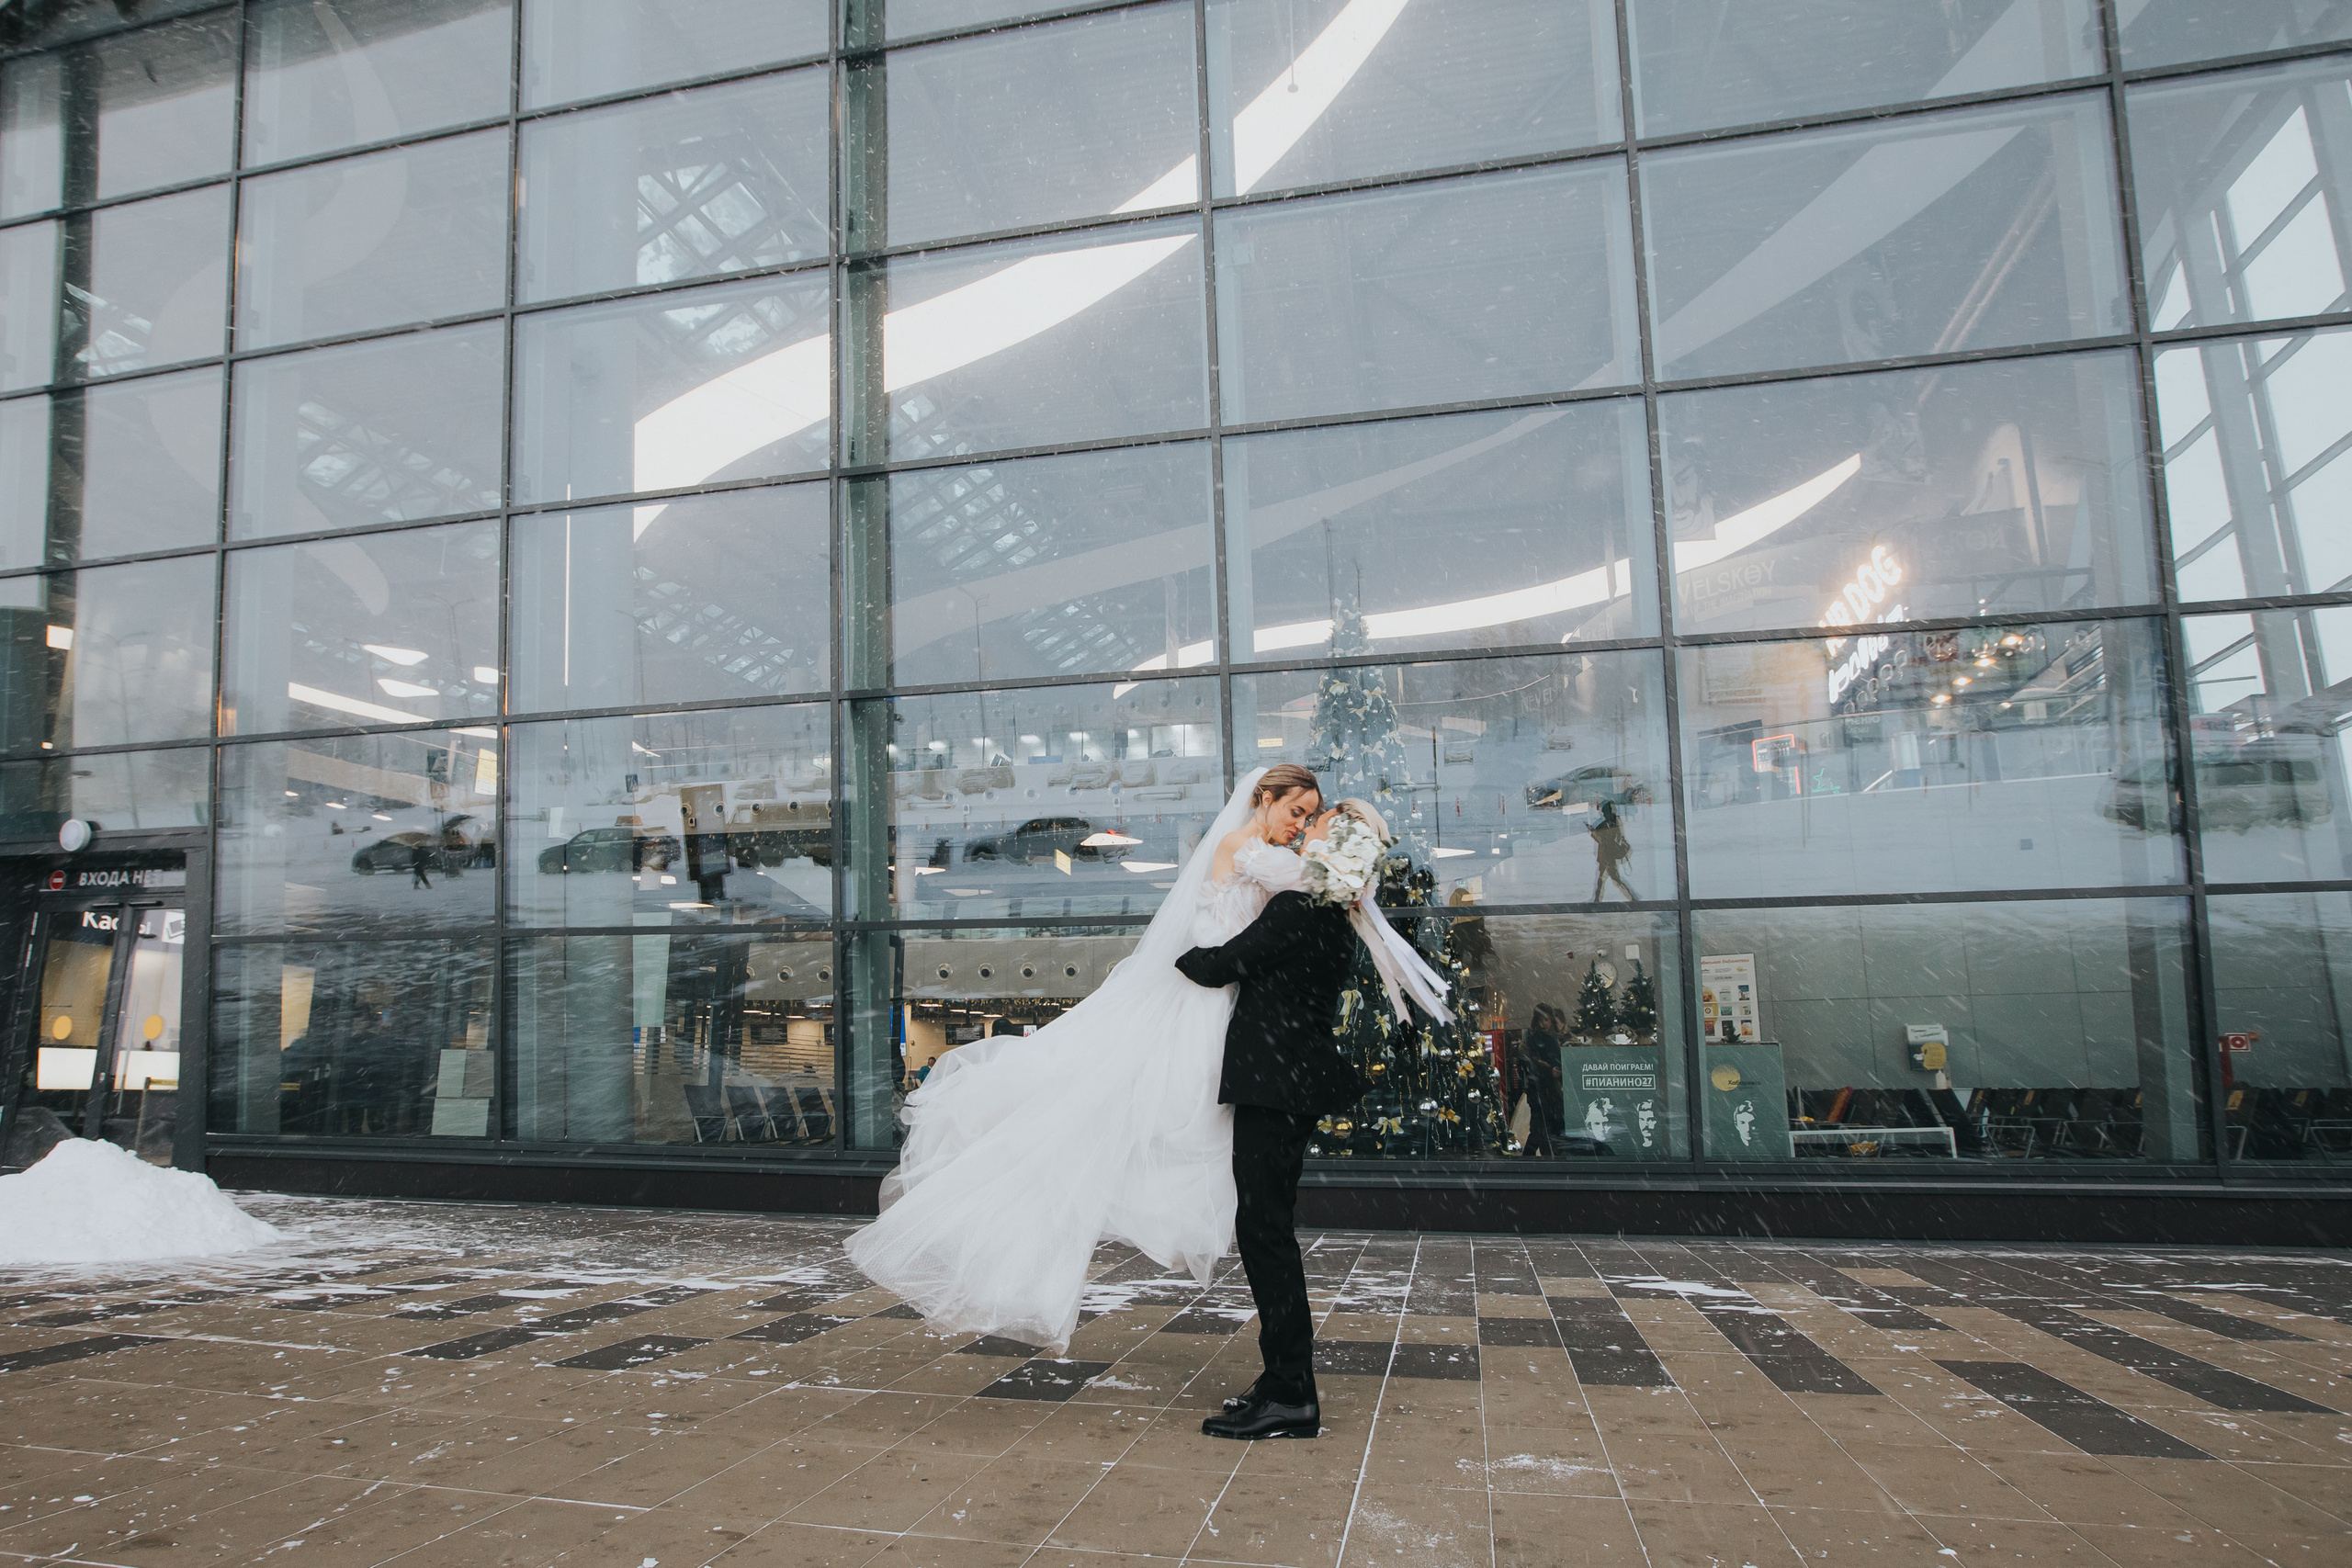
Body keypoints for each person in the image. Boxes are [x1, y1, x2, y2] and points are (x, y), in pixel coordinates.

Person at [843, 764, 1325, 1352]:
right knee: (1159, 1113)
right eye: (1294, 811)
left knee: (1173, 1120)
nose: (1299, 826)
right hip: (1209, 998)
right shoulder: (1243, 846)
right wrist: (1345, 862)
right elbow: (1312, 880)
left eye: (1307, 817)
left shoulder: (1252, 850)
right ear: (1263, 799)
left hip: (1225, 998)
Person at [1177, 798, 1453, 1441]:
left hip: (1277, 1089)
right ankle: (1281, 1382)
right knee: (1267, 1230)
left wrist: (1166, 959)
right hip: (1286, 1084)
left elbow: (1218, 964)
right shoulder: (1331, 910)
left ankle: (1293, 1393)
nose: (1304, 830)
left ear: (1338, 844)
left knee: (1267, 1235)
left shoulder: (1302, 908)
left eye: (1318, 825)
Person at [1589, 799, 1637, 901]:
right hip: (1608, 855)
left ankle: (1632, 898)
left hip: (1607, 856)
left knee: (1610, 879)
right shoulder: (1615, 822)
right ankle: (1597, 900)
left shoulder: (1605, 824)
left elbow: (1602, 840)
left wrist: (1594, 833)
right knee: (1604, 879)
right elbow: (1618, 836)